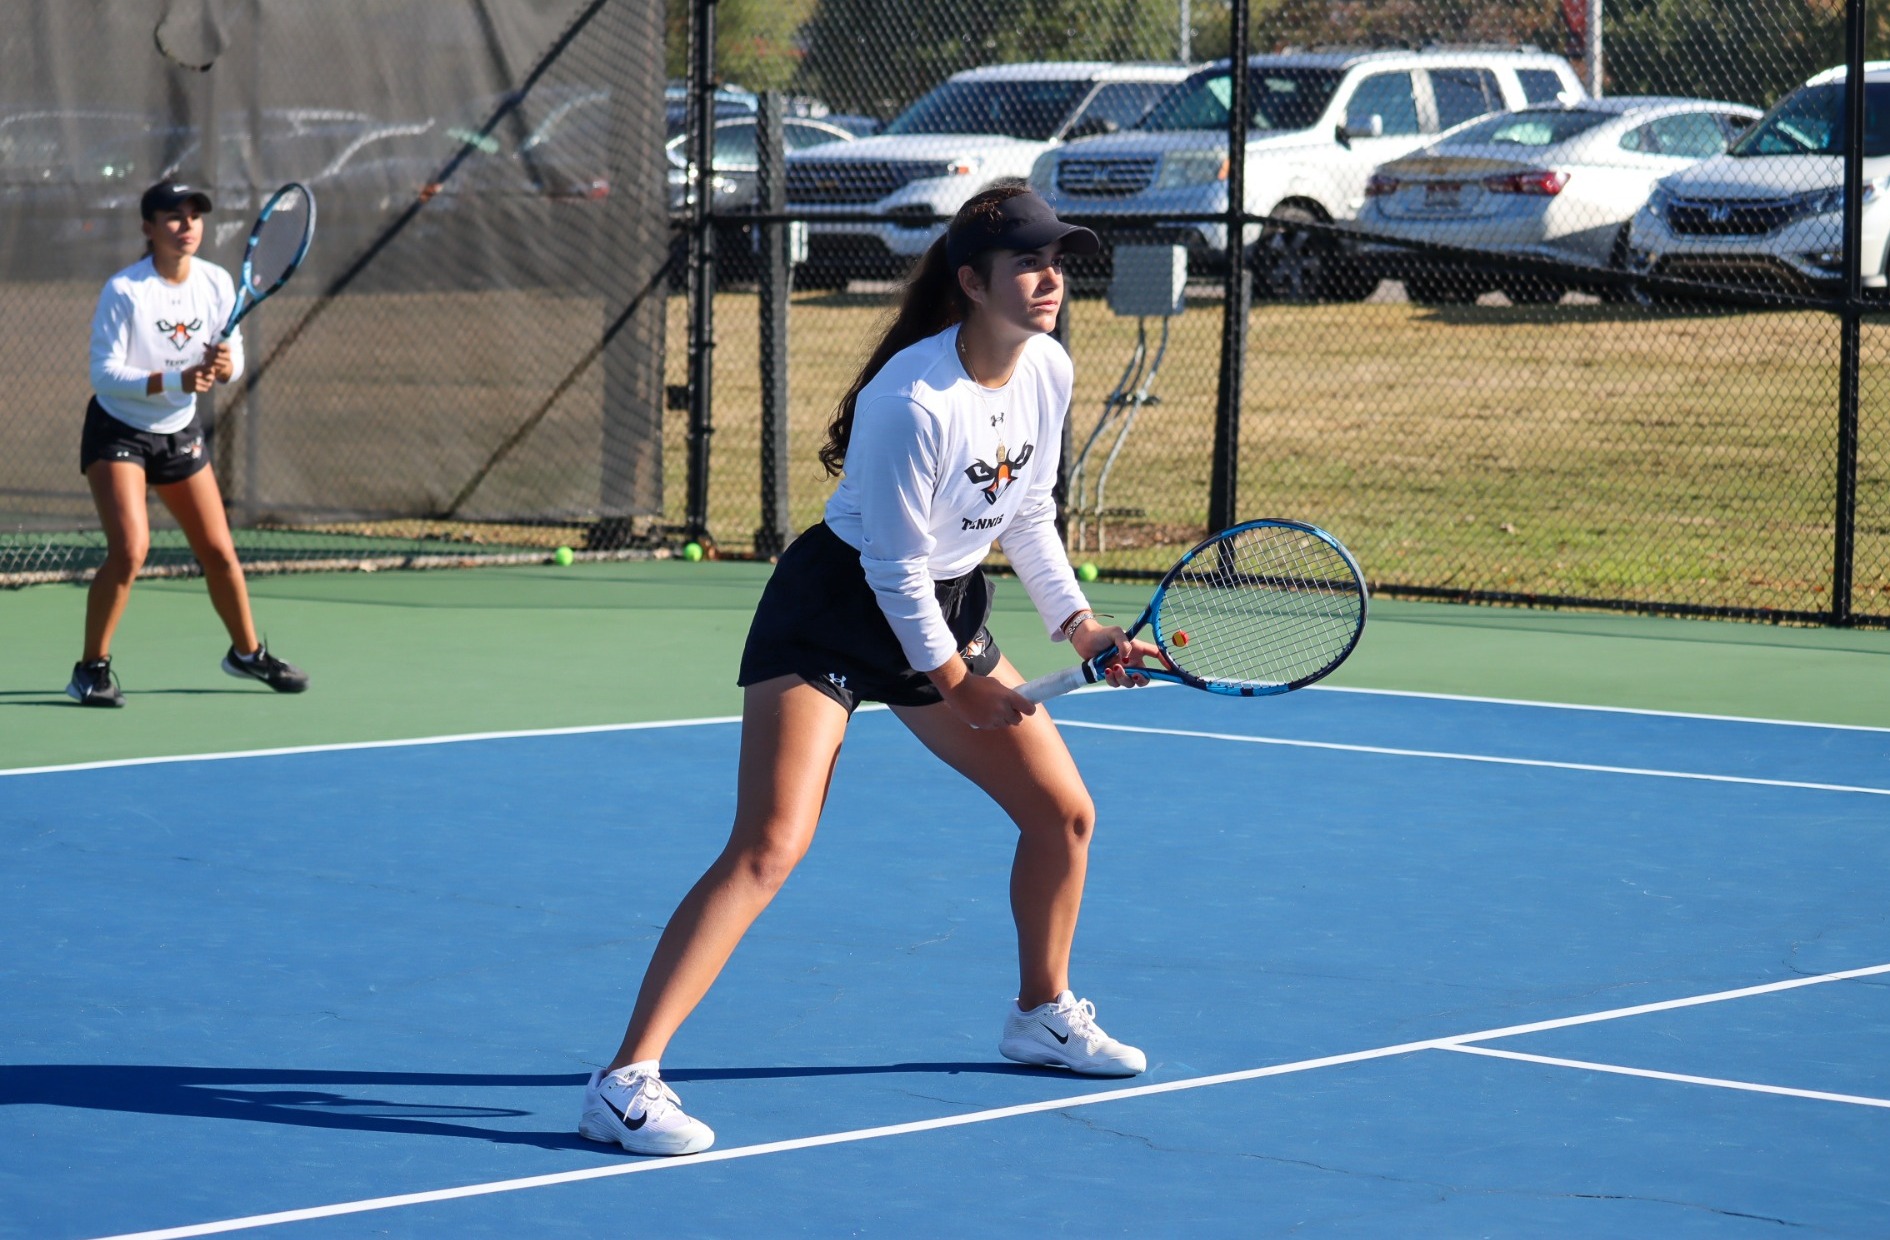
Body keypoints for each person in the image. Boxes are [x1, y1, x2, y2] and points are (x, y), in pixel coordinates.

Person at [580, 187, 1160, 1157]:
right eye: (1028, 261)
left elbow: (1026, 512)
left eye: (1059, 257)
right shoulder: (912, 397)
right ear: (972, 283)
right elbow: (890, 569)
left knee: (1064, 814)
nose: (1051, 276)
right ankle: (623, 1080)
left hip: (945, 603)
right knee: (771, 844)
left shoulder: (1048, 369)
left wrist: (1081, 623)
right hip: (837, 613)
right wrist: (959, 682)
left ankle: (1040, 1013)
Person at [69, 180, 308, 707]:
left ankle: (246, 654)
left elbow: (233, 357)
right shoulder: (126, 290)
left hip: (179, 432)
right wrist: (173, 381)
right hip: (120, 430)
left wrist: (227, 366)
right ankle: (91, 668)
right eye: (173, 217)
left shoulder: (219, 283)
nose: (187, 226)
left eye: (194, 216)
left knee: (220, 551)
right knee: (131, 549)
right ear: (148, 229)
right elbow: (104, 374)